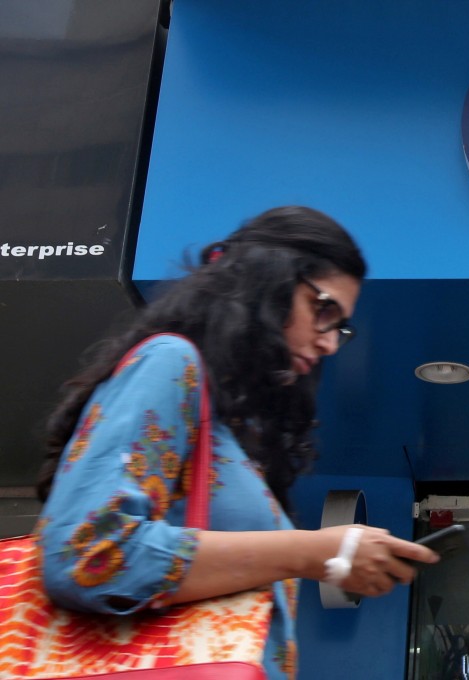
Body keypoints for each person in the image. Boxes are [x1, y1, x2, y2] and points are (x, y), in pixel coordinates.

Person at [35, 205, 437, 679]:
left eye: (340, 327)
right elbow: (87, 554)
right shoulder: (172, 362)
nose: (330, 343)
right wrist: (314, 552)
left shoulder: (230, 428)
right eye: (323, 308)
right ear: (266, 278)